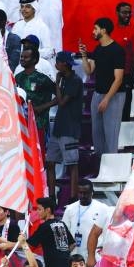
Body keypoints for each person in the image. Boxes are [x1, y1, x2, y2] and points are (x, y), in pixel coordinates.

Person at [80, 18, 125, 154]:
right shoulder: (98, 49)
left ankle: (111, 170)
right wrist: (83, 55)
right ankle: (99, 166)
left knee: (111, 134)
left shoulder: (117, 50)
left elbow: (118, 79)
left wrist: (107, 99)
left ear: (104, 30)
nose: (93, 32)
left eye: (95, 28)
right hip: (97, 94)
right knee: (97, 134)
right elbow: (89, 70)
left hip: (114, 96)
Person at [48, 52, 83, 198]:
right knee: (50, 162)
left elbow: (61, 102)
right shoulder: (64, 79)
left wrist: (56, 83)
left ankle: (73, 197)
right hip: (58, 128)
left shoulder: (75, 80)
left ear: (64, 64)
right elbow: (57, 100)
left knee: (72, 164)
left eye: (57, 62)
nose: (56, 65)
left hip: (70, 128)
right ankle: (51, 196)